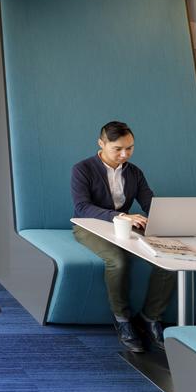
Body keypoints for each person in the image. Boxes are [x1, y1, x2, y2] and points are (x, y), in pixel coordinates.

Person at [70, 120, 174, 354]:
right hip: (89, 226)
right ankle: (123, 320)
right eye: (117, 149)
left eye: (130, 148)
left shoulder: (134, 172)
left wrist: (165, 221)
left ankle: (150, 318)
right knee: (117, 261)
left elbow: (150, 203)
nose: (124, 154)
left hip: (126, 227)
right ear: (101, 143)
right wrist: (120, 215)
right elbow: (82, 207)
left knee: (167, 261)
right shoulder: (82, 169)